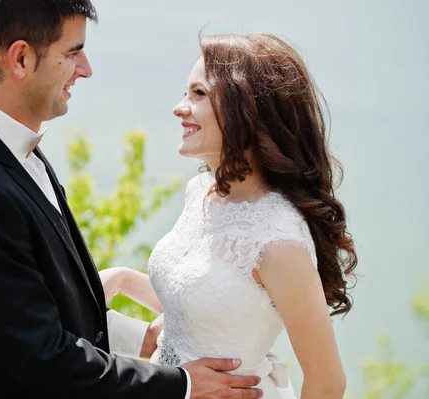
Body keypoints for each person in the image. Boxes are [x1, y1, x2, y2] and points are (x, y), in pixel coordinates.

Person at [0, 1, 264, 398]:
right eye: (73, 52)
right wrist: (185, 384)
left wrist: (139, 338)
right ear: (20, 58)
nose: (86, 68)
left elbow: (28, 309)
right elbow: (47, 360)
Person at [100, 32, 358, 399]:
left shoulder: (278, 240)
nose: (179, 107)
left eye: (198, 94)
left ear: (248, 110)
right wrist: (122, 279)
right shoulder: (203, 192)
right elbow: (204, 305)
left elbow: (329, 382)